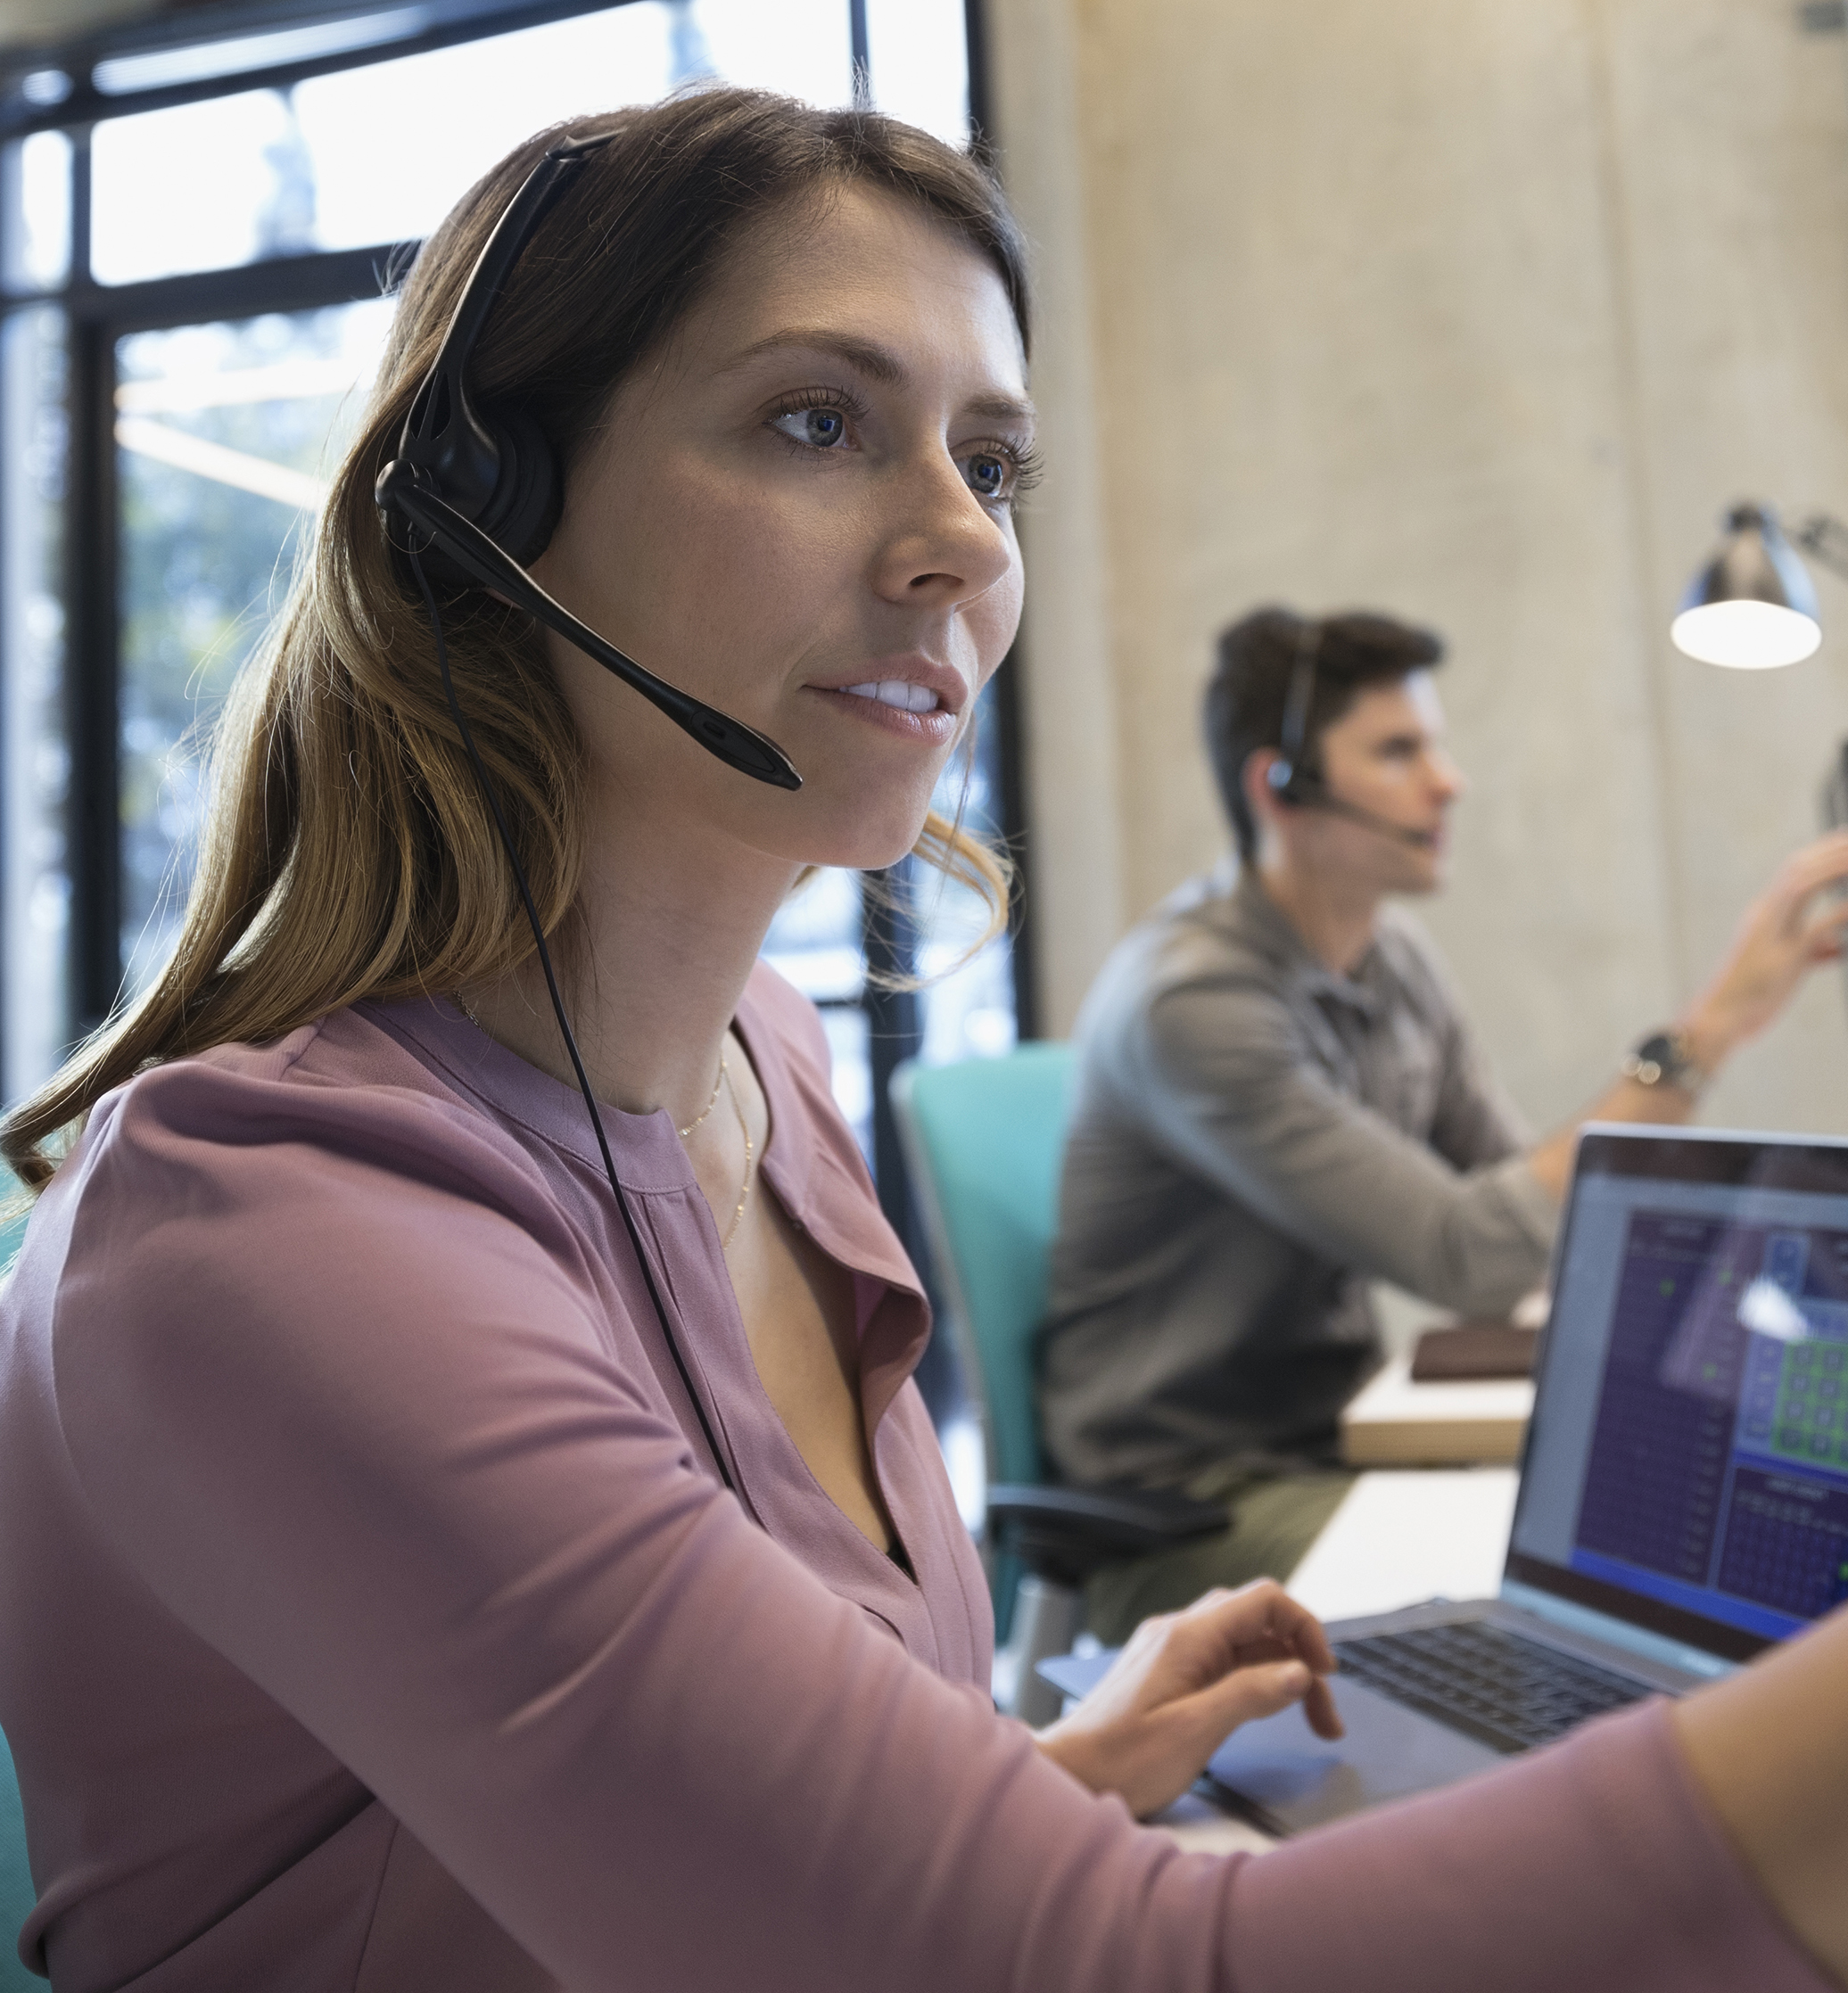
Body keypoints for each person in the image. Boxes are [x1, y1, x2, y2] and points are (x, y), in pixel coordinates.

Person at [0, 90, 1842, 1993]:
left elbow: (692, 1871)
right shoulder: (271, 1234)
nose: (960, 540)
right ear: (487, 516)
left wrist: (1031, 1779)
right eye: (817, 420)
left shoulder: (767, 1067)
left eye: (995, 461)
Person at [1039, 606, 1848, 1640]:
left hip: (1340, 1449)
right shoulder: (1193, 1006)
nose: (1447, 780)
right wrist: (1705, 1030)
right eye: (1397, 750)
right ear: (1278, 787)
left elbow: (1535, 1215)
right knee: (1573, 1589)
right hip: (1188, 1516)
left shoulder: (1395, 960)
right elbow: (1468, 1258)